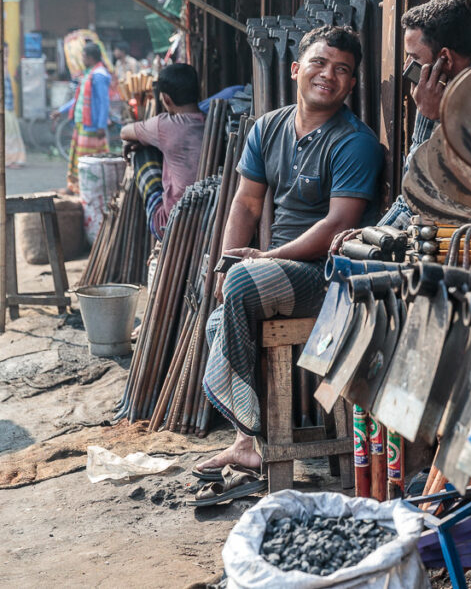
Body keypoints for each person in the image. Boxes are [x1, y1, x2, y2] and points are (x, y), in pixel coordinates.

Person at [195, 24, 383, 475]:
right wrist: (229, 260)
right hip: (279, 270)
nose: (328, 75)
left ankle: (249, 440)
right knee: (220, 312)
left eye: (342, 70)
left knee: (242, 280)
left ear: (351, 85)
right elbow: (246, 201)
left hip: (330, 276)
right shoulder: (268, 127)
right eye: (319, 63)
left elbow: (339, 223)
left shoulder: (355, 142)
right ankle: (249, 441)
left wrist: (265, 260)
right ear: (297, 68)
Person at [333, 0, 471, 248]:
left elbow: (435, 182)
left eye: (414, 57)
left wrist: (429, 114)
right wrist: (380, 235)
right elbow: (415, 187)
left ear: (444, 58)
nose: (407, 67)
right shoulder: (450, 87)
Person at [119, 63, 205, 239]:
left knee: (142, 153)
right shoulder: (212, 121)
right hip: (208, 218)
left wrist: (143, 143)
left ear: (166, 99)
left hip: (170, 223)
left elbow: (124, 132)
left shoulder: (163, 125)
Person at [54, 42, 111, 194]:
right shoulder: (89, 73)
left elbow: (104, 103)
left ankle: (89, 189)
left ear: (90, 57)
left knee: (90, 161)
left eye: (84, 56)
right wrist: (61, 111)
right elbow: (78, 99)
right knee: (79, 158)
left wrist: (101, 125)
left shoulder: (99, 75)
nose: (82, 59)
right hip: (82, 125)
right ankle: (76, 187)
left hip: (92, 126)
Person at [3, 43, 26, 169]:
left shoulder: (5, 67)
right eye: (4, 54)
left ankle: (13, 159)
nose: (6, 57)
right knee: (8, 135)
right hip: (5, 107)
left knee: (11, 133)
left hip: (9, 106)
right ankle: (9, 160)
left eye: (7, 54)